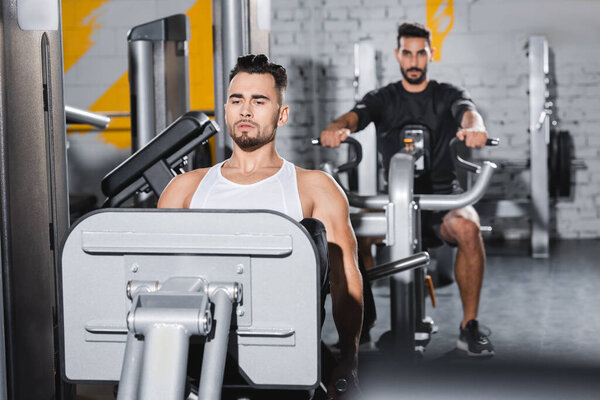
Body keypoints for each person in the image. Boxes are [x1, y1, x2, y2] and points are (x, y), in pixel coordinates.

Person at [158, 54, 363, 398]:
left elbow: (345, 279)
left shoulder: (314, 187)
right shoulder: (185, 189)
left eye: (259, 101)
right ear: (226, 111)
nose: (246, 110)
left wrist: (350, 358)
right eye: (237, 100)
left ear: (282, 114)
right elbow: (159, 281)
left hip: (282, 356)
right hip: (199, 354)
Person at [320, 22, 494, 357]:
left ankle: (468, 327)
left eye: (421, 53)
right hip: (394, 202)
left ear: (430, 54)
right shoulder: (384, 98)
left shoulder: (446, 95)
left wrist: (477, 127)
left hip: (443, 199)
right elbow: (355, 116)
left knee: (469, 228)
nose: (414, 61)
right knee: (352, 235)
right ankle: (361, 331)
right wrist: (336, 127)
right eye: (407, 53)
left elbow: (468, 113)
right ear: (398, 55)